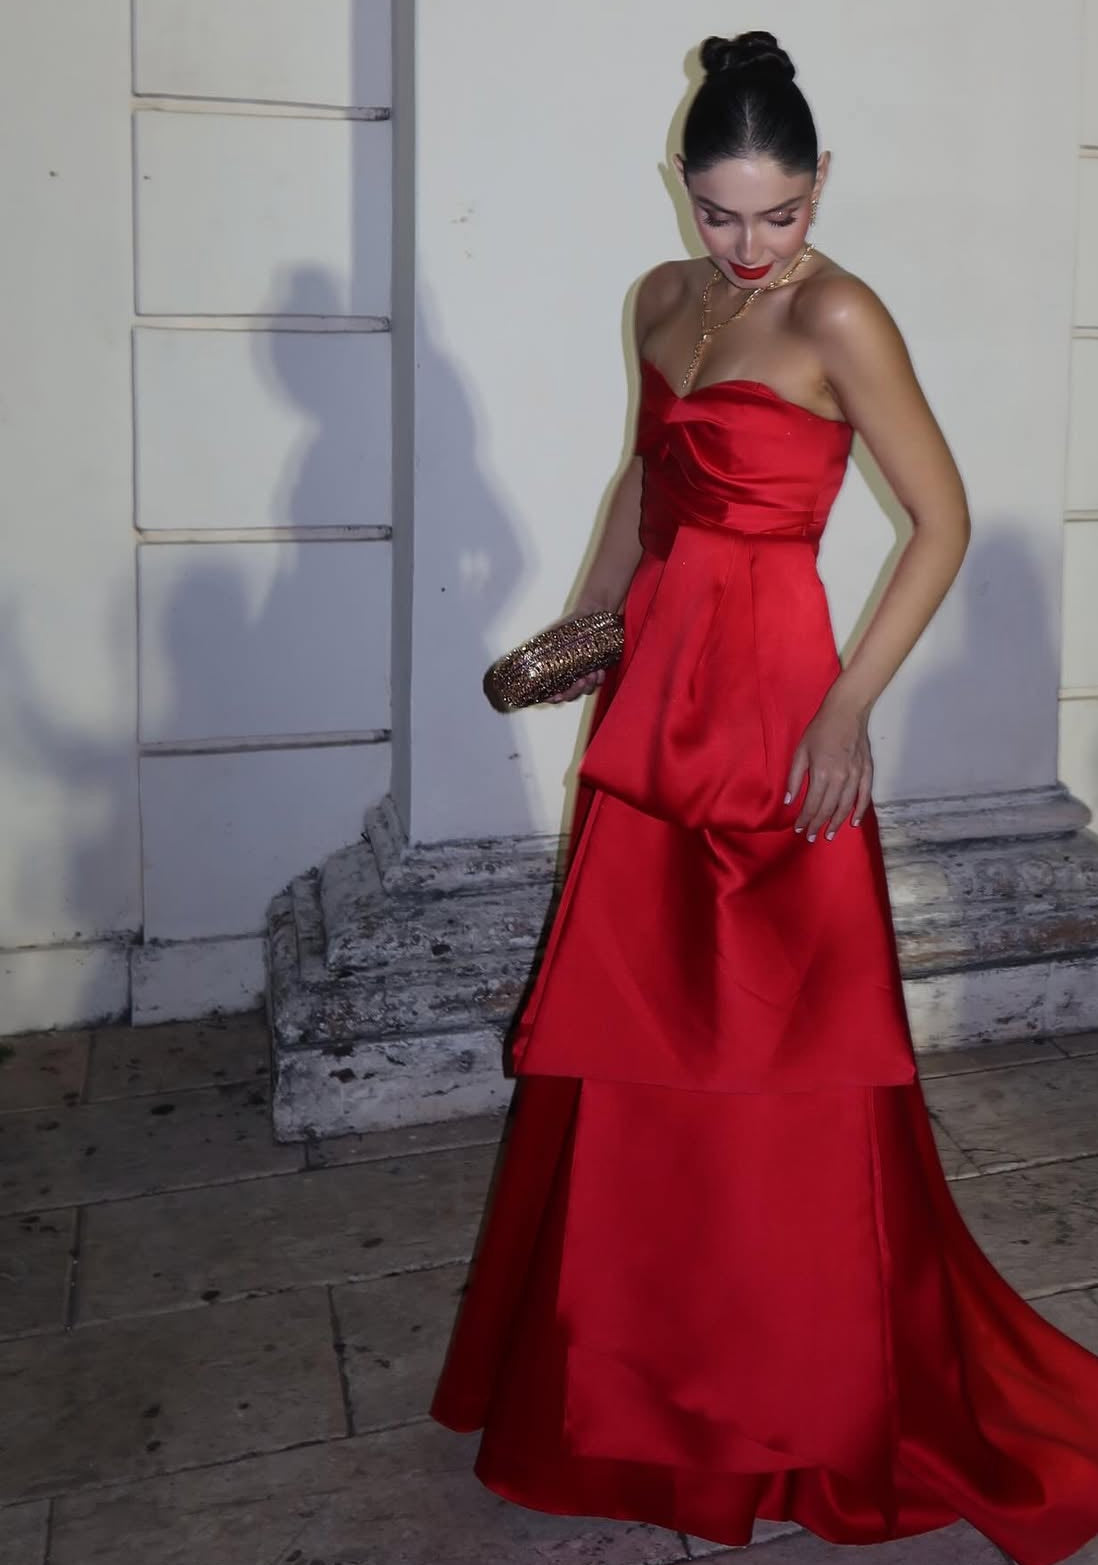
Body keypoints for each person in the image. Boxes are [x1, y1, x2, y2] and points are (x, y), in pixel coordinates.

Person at [430, 31, 1098, 1565]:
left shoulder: (838, 314)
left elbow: (939, 518)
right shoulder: (658, 299)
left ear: (820, 185)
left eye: (778, 212)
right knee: (635, 1031)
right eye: (720, 212)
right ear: (680, 189)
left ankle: (789, 1388)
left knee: (778, 1039)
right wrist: (588, 621)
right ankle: (632, 1377)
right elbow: (642, 480)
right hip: (656, 695)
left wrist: (849, 701)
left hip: (775, 709)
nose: (747, 246)